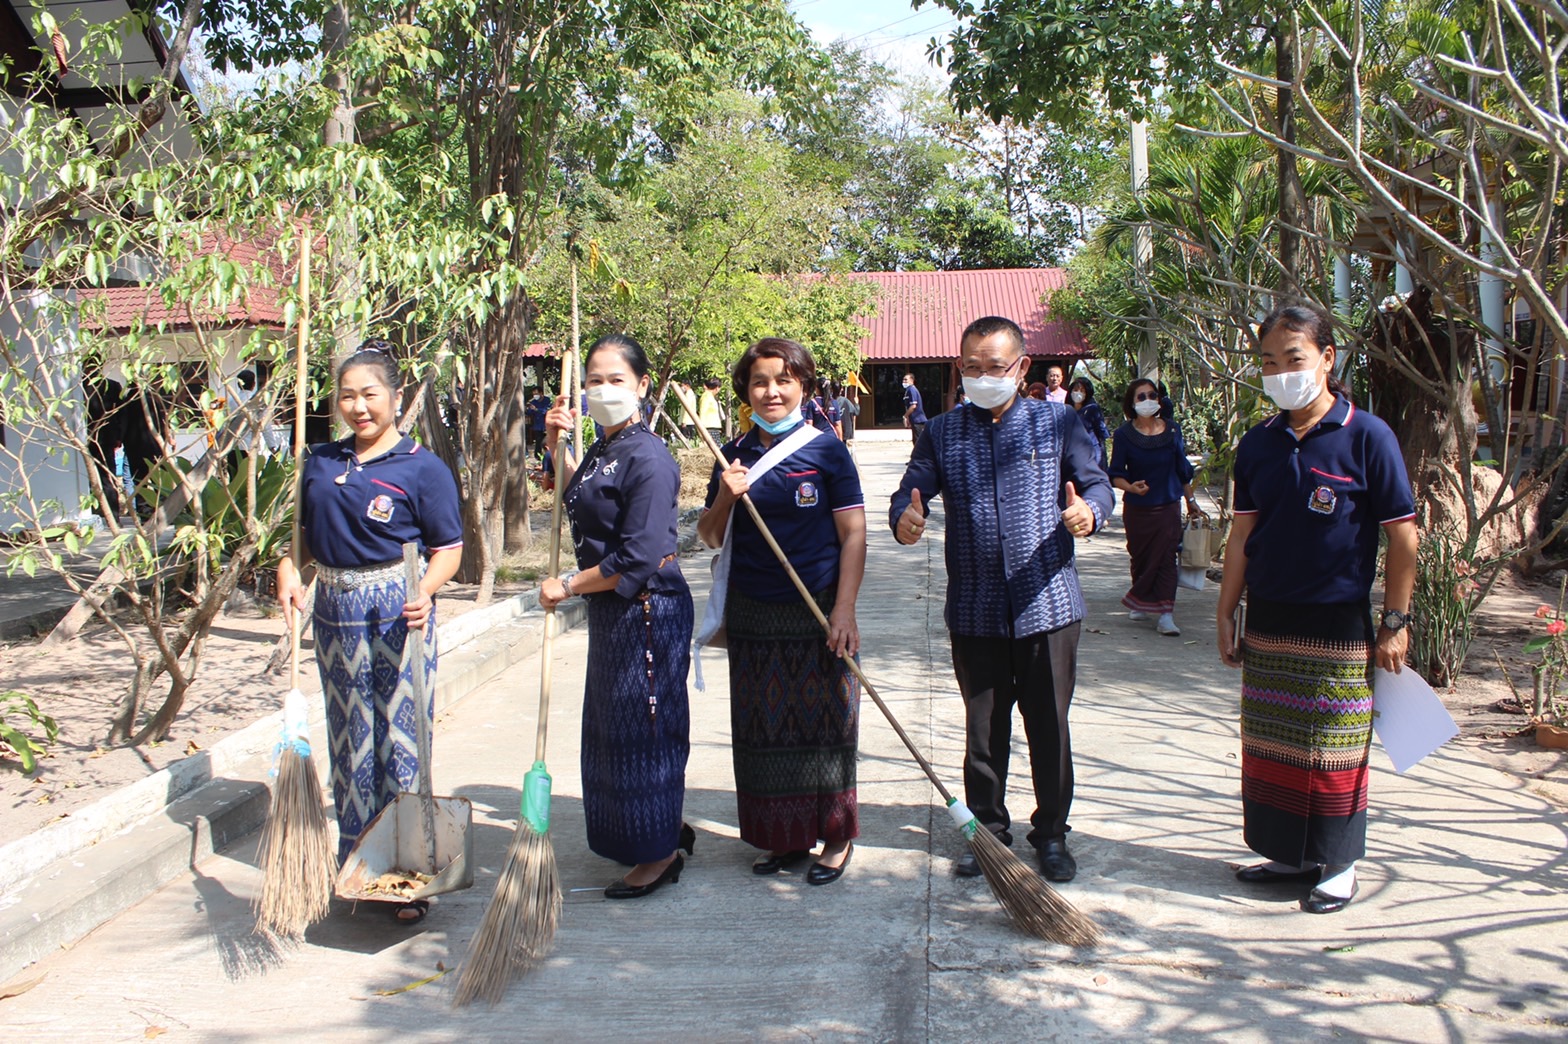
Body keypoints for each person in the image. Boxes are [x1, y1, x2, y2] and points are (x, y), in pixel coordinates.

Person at [890, 316, 1112, 883]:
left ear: (1022, 369)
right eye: (971, 368)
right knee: (983, 731)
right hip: (975, 608)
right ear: (959, 369)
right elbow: (908, 491)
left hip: (1049, 606)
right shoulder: (941, 432)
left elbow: (1097, 484)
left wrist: (1091, 512)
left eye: (995, 367)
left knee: (1049, 726)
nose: (983, 376)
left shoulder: (1059, 423)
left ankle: (1053, 834)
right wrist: (905, 518)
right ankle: (987, 835)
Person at [1217, 305, 1417, 915]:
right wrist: (1227, 612)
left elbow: (1403, 537)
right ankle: (1289, 854)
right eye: (1269, 362)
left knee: (1334, 746)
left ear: (1327, 359)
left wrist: (1395, 621)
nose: (1281, 373)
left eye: (1294, 359)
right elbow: (1241, 537)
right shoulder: (1258, 445)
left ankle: (1338, 864)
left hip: (1337, 622)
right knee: (1274, 743)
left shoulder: (1368, 436)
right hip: (1271, 620)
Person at [276, 340, 463, 924]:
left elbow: (449, 549)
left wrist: (425, 591)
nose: (359, 407)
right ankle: (358, 864)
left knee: (401, 737)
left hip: (397, 609)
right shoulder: (320, 461)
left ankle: (409, 871)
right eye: (348, 396)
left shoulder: (421, 467)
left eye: (370, 394)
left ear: (395, 398)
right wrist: (288, 570)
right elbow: (300, 540)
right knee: (349, 737)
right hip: (332, 609)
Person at [698, 337, 866, 886]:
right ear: (746, 391)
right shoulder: (732, 454)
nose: (771, 391)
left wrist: (844, 610)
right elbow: (708, 537)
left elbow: (854, 533)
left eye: (783, 380)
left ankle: (836, 837)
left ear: (804, 387)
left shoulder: (827, 450)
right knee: (763, 729)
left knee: (827, 725)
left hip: (817, 610)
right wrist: (725, 495)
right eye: (760, 381)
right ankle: (784, 838)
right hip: (754, 612)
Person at [539, 334, 695, 900]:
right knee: (613, 731)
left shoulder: (649, 457)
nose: (602, 390)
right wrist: (556, 446)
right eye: (594, 381)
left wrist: (567, 585)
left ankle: (658, 854)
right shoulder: (605, 449)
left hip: (647, 609)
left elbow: (638, 555)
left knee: (644, 730)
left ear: (642, 386)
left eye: (616, 381)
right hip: (612, 612)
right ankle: (661, 825)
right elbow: (580, 496)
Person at [1108, 378, 1200, 636]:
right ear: (1132, 402)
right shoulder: (1124, 435)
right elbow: (1115, 473)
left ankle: (1165, 614)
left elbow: (1183, 470)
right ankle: (1140, 599)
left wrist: (1191, 501)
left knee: (1166, 558)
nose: (1148, 400)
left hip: (1168, 506)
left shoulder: (1173, 431)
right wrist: (1130, 487)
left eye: (1152, 395)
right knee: (1141, 557)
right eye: (1141, 396)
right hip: (1138, 509)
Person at [1068, 376, 1109, 469]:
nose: (1078, 393)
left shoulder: (1092, 409)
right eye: (1075, 390)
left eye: (1082, 390)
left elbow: (1102, 432)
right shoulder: (1067, 410)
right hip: (1072, 452)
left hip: (1091, 451)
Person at [832, 380, 860, 455]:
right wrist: (856, 403)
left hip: (833, 433)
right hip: (846, 434)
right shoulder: (845, 401)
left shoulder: (829, 402)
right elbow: (856, 412)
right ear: (841, 389)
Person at [526, 388, 553, 459]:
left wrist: (537, 409)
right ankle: (537, 457)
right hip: (537, 425)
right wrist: (529, 409)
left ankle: (548, 456)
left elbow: (547, 411)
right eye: (534, 394)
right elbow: (529, 413)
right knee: (538, 442)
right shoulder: (533, 402)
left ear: (541, 393)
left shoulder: (547, 401)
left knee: (548, 441)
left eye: (536, 394)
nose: (535, 395)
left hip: (546, 424)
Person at [902, 372, 927, 448]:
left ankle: (922, 457)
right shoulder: (908, 390)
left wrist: (905, 416)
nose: (904, 382)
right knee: (915, 440)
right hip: (914, 420)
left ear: (912, 380)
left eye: (906, 380)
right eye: (903, 380)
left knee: (918, 441)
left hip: (918, 420)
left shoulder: (912, 390)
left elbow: (913, 406)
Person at [696, 377, 725, 443]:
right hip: (709, 428)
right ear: (717, 388)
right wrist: (701, 430)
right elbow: (702, 413)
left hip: (714, 428)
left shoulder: (711, 396)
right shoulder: (706, 396)